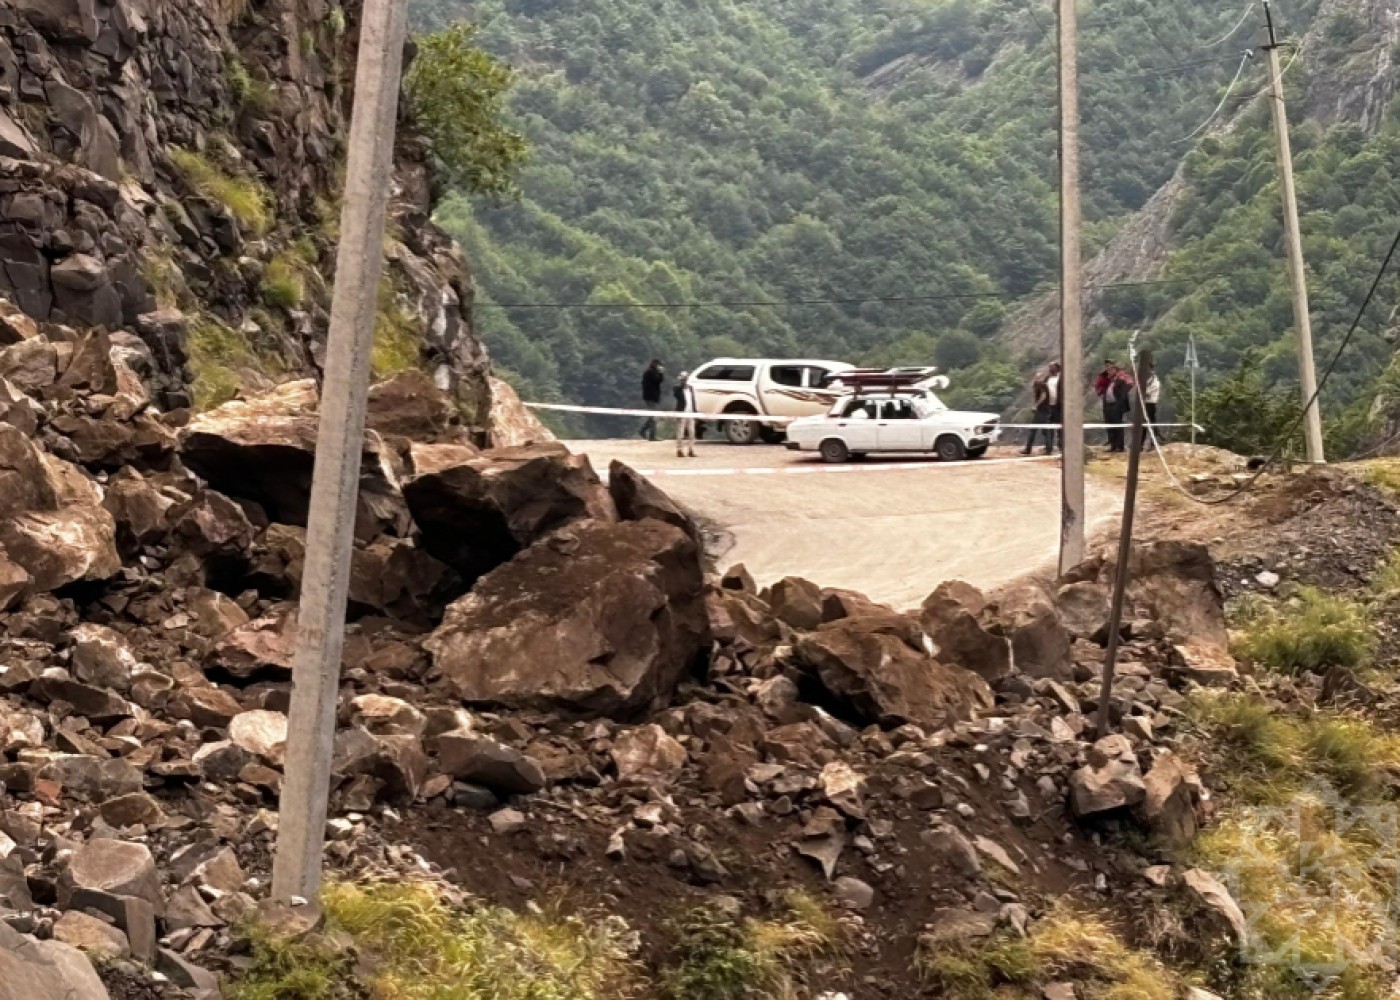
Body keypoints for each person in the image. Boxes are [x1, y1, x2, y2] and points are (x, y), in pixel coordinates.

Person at [1022, 361, 1062, 455]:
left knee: (1059, 428)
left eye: (1052, 367)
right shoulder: (1047, 379)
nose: (1049, 368)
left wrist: (1036, 405)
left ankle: (1059, 447)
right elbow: (1044, 391)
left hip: (1057, 406)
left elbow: (1043, 394)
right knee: (1048, 429)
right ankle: (1049, 448)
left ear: (1057, 368)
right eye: (1049, 367)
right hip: (1048, 406)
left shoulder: (1061, 379)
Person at [1104, 365, 1135, 453]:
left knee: (1117, 426)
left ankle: (1119, 446)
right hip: (1109, 405)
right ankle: (1113, 445)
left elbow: (1124, 392)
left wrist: (1118, 403)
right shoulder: (1111, 381)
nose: (1108, 372)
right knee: (1110, 426)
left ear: (1115, 371)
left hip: (1116, 406)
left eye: (1110, 370)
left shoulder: (1121, 381)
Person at [640, 359, 664, 441]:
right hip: (650, 397)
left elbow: (659, 381)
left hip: (652, 397)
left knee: (652, 417)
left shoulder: (652, 372)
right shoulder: (650, 372)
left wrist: (660, 374)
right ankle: (652, 436)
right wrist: (660, 372)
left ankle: (642, 430)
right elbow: (657, 380)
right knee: (653, 417)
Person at [674, 370, 696, 458]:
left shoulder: (690, 388)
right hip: (682, 412)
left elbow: (693, 400)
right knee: (680, 433)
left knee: (692, 433)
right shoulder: (677, 388)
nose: (685, 380)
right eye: (683, 379)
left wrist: (695, 411)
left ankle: (691, 450)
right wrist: (681, 384)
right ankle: (679, 450)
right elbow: (676, 394)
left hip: (690, 413)